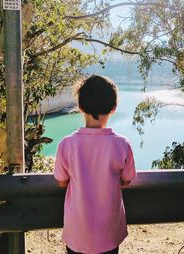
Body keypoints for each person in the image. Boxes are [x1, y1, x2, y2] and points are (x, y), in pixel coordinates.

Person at [54, 75, 136, 254]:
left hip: (77, 232)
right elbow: (127, 180)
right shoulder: (122, 144)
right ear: (113, 108)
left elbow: (61, 181)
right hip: (109, 233)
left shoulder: (66, 145)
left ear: (80, 107)